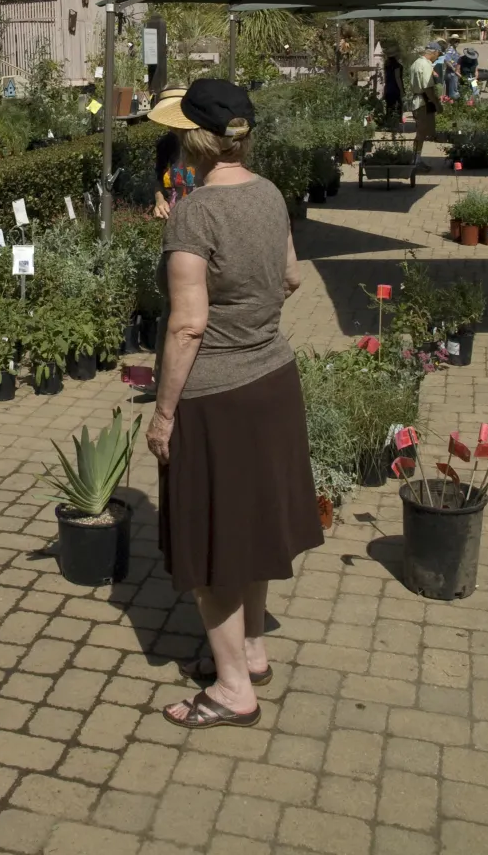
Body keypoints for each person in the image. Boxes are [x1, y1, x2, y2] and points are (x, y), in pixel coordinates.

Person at [145, 79, 322, 730]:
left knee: (211, 547)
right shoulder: (270, 193)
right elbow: (290, 276)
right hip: (273, 379)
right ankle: (249, 649)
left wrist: (163, 414)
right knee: (244, 531)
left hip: (216, 396)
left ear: (190, 138)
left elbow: (187, 325)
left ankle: (229, 691)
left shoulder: (194, 212)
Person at [149, 86, 198, 218]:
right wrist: (160, 200)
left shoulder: (203, 140)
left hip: (201, 213)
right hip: (175, 216)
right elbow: (159, 179)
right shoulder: (166, 143)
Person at [410, 41, 443, 171]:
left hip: (418, 100)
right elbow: (428, 88)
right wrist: (437, 104)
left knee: (422, 132)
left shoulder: (416, 63)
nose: (437, 56)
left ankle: (416, 158)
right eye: (438, 54)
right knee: (421, 132)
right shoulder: (424, 65)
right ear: (434, 52)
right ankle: (416, 160)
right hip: (422, 102)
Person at [383, 51, 404, 123]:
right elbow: (397, 78)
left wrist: (384, 90)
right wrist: (401, 90)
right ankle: (396, 122)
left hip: (388, 89)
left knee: (389, 106)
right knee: (397, 106)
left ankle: (389, 122)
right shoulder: (397, 66)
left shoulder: (387, 66)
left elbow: (385, 79)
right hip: (395, 89)